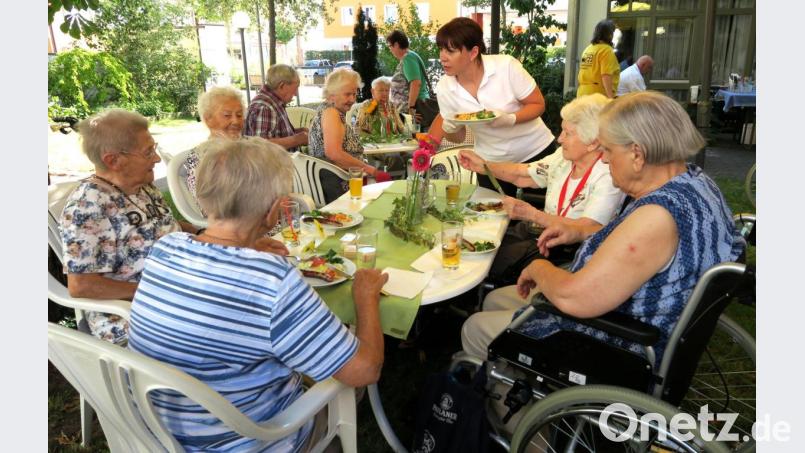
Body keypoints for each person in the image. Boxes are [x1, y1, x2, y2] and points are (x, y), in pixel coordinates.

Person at [128, 137, 388, 452]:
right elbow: (364, 370)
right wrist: (365, 296)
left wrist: (248, 246)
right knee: (348, 381)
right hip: (250, 439)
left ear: (202, 196)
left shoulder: (166, 247)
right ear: (272, 213)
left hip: (158, 429)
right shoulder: (272, 281)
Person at [462, 91, 745, 371]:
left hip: (614, 341)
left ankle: (504, 406)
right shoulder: (697, 183)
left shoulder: (656, 217)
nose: (605, 160)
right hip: (629, 308)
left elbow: (576, 297)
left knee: (474, 327)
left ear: (637, 154)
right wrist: (576, 233)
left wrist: (538, 268)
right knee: (494, 299)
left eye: (608, 150)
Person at [60, 109, 201, 345]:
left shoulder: (142, 186)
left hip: (179, 293)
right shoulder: (88, 206)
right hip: (137, 316)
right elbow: (82, 286)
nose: (156, 158)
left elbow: (166, 225)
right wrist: (156, 289)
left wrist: (206, 235)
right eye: (148, 152)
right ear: (113, 160)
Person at [458, 94, 625, 286]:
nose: (559, 138)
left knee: (482, 258)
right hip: (537, 234)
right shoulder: (563, 158)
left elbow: (586, 229)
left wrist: (531, 214)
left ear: (593, 142)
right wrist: (484, 166)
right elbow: (523, 174)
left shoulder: (608, 175)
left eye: (568, 133)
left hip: (564, 252)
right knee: (474, 238)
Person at [433, 17, 556, 197]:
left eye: (450, 51)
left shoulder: (505, 67)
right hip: (490, 162)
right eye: (441, 49)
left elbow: (538, 104)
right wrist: (450, 127)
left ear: (473, 52)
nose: (442, 57)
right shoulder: (445, 86)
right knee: (493, 218)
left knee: (540, 218)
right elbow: (458, 137)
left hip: (535, 151)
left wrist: (510, 119)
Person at [308, 68, 391, 202]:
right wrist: (371, 170)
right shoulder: (331, 113)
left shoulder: (330, 110)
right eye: (347, 94)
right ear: (331, 95)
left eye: (354, 94)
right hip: (337, 186)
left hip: (341, 180)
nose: (352, 99)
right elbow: (334, 154)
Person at [183, 86, 245, 199]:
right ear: (208, 119)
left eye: (239, 115)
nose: (236, 121)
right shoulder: (199, 158)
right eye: (227, 115)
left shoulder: (248, 149)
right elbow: (207, 206)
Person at [243, 63, 309, 151]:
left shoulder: (274, 101)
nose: (296, 94)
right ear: (281, 86)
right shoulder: (264, 107)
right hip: (274, 164)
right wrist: (296, 140)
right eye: (295, 88)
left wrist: (298, 132)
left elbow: (276, 134)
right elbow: (261, 145)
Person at [386, 30, 433, 126]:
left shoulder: (408, 58)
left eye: (390, 46)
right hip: (414, 107)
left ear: (396, 44)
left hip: (415, 109)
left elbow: (416, 83)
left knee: (413, 139)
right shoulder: (411, 56)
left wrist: (411, 108)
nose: (390, 50)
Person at [577, 19, 621, 98]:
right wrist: (610, 98)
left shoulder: (588, 49)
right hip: (598, 95)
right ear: (610, 35)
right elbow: (606, 75)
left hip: (582, 93)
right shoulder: (606, 50)